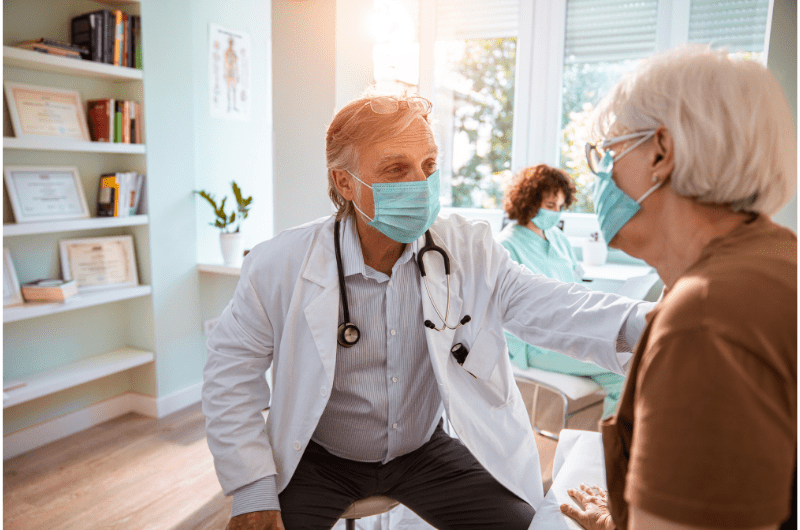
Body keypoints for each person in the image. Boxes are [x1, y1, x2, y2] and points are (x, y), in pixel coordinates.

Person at [202, 87, 655, 530]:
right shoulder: (278, 264)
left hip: (423, 453)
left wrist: (649, 325)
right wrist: (253, 491)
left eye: (429, 165)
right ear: (345, 182)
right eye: (396, 169)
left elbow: (553, 305)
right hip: (319, 460)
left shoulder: (467, 249)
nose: (419, 184)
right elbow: (231, 374)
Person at [559, 45, 796, 530]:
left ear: (661, 154)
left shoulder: (705, 314)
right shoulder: (774, 261)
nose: (599, 178)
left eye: (607, 155)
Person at [497, 164, 626, 419]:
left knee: (630, 353)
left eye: (560, 206)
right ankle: (610, 453)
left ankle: (621, 447)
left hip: (573, 331)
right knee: (622, 374)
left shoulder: (557, 238)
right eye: (549, 205)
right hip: (533, 343)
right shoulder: (505, 246)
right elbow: (501, 312)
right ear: (529, 201)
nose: (555, 213)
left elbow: (576, 288)